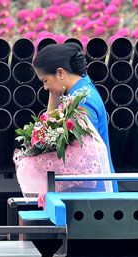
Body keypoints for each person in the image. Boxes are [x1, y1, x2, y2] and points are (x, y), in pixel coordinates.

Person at [33, 43, 115, 192]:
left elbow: (83, 153)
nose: (45, 88)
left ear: (61, 73)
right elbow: (50, 121)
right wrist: (54, 90)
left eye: (45, 81)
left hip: (94, 191)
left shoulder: (83, 100)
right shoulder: (78, 92)